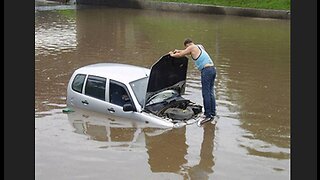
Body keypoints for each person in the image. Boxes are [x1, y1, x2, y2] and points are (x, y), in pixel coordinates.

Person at [169, 38, 217, 125]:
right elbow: (185, 51)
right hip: (212, 69)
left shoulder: (191, 48)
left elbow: (181, 55)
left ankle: (207, 115)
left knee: (206, 93)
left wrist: (172, 54)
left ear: (187, 45)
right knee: (210, 92)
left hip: (206, 71)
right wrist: (179, 50)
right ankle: (212, 113)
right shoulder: (199, 46)